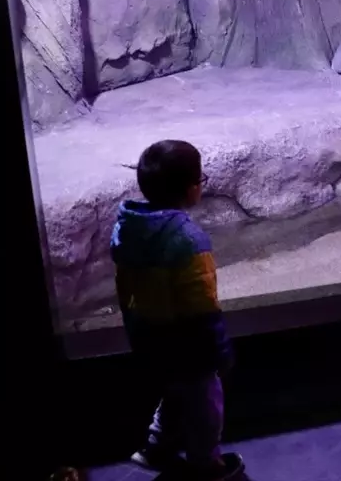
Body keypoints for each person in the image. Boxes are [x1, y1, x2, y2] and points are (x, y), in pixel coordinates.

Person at [112, 140, 244, 480]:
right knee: (206, 404)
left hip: (148, 335)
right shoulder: (188, 239)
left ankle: (155, 446)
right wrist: (220, 350)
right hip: (188, 343)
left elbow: (124, 287)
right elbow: (202, 306)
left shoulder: (127, 228)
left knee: (173, 391)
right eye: (201, 179)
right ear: (190, 189)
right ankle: (206, 463)